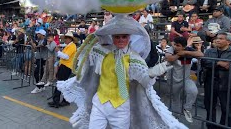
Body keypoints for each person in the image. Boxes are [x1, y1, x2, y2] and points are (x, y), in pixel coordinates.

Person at [56, 15, 186, 129]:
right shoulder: (101, 52)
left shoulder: (135, 59)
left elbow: (145, 79)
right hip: (99, 103)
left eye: (124, 36)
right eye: (117, 36)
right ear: (112, 37)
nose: (121, 39)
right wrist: (98, 38)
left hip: (121, 108)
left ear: (130, 37)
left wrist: (156, 71)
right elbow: (87, 52)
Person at [201, 33, 231, 128]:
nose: (217, 40)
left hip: (227, 82)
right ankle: (211, 127)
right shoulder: (210, 51)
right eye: (217, 38)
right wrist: (219, 63)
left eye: (221, 39)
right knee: (209, 107)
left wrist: (213, 63)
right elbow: (204, 63)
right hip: (210, 81)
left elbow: (229, 66)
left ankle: (225, 127)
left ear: (228, 41)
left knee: (226, 108)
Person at [165, 37, 204, 123]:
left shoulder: (188, 49)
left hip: (186, 78)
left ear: (184, 46)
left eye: (178, 45)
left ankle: (187, 108)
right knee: (175, 99)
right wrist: (179, 54)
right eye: (174, 44)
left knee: (193, 91)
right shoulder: (171, 49)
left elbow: (201, 54)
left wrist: (186, 52)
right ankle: (175, 119)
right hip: (173, 80)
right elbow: (169, 58)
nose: (175, 47)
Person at [48, 31, 77, 108]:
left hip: (66, 67)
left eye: (67, 38)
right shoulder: (70, 46)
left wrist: (58, 51)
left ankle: (56, 101)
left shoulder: (71, 46)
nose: (65, 40)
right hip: (65, 66)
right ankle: (64, 100)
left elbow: (66, 57)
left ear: (70, 39)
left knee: (60, 84)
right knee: (63, 84)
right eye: (65, 38)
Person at [31, 29, 48, 94]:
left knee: (37, 72)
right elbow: (35, 49)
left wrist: (34, 45)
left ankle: (38, 87)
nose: (37, 35)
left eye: (38, 34)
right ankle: (41, 86)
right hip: (39, 58)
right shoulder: (39, 40)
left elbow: (41, 46)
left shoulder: (45, 40)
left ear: (41, 34)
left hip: (42, 59)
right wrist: (32, 43)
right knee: (40, 73)